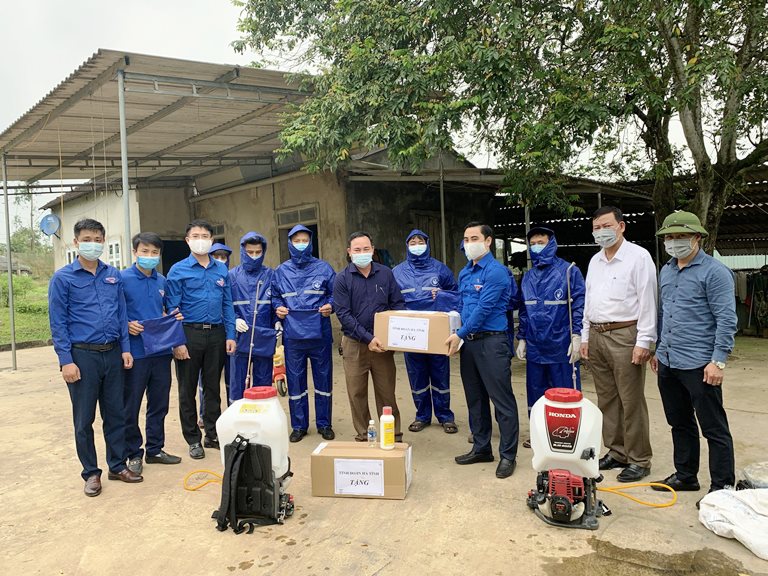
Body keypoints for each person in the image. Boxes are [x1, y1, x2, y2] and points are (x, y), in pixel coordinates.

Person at [48, 218, 142, 497]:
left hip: (112, 353)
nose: (93, 244)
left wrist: (125, 348)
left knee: (115, 413)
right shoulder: (63, 278)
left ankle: (117, 465)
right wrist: (66, 360)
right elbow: (58, 322)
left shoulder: (112, 275)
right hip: (82, 356)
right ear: (76, 242)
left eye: (98, 240)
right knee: (84, 418)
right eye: (87, 239)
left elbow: (122, 314)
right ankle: (91, 472)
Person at [649, 211, 737, 504]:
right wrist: (659, 349)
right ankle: (686, 475)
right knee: (680, 422)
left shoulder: (715, 272)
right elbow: (664, 313)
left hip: (700, 363)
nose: (674, 242)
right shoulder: (667, 270)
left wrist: (718, 361)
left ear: (697, 238)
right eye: (670, 237)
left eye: (681, 236)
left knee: (714, 428)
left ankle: (722, 487)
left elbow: (726, 319)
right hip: (669, 360)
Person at [580, 206, 657, 482]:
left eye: (606, 226)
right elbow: (589, 301)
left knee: (630, 399)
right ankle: (617, 451)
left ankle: (639, 459)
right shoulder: (595, 261)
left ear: (621, 226)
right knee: (607, 399)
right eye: (596, 228)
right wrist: (585, 336)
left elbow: (648, 301)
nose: (601, 232)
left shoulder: (638, 257)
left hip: (625, 334)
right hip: (597, 334)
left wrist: (644, 341)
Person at [446, 222, 520, 479]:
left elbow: (484, 309)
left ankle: (508, 455)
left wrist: (459, 334)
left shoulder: (497, 272)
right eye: (466, 239)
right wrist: (454, 329)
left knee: (502, 401)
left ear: (488, 241)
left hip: (492, 342)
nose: (469, 243)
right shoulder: (465, 273)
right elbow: (462, 306)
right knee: (475, 399)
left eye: (474, 238)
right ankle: (481, 448)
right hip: (470, 344)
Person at [165, 220, 236, 460]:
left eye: (205, 236)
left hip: (216, 333)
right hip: (189, 334)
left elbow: (227, 304)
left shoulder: (221, 270)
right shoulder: (178, 270)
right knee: (187, 389)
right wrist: (177, 341)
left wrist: (230, 335)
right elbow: (172, 308)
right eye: (195, 236)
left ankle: (212, 434)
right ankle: (193, 439)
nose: (200, 240)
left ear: (212, 240)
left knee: (213, 387)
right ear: (187, 240)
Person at [516, 226, 585, 447]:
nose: (537, 247)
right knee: (536, 393)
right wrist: (522, 337)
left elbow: (579, 304)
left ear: (552, 243)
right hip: (535, 346)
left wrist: (577, 335)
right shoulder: (528, 277)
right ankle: (539, 435)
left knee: (564, 392)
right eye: (533, 243)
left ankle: (567, 436)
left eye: (541, 242)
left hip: (561, 345)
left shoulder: (569, 271)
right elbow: (524, 310)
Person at [334, 231, 406, 441]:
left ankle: (393, 434)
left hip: (382, 343)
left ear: (373, 250)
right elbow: (344, 315)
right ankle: (365, 434)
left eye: (366, 249)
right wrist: (368, 338)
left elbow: (397, 304)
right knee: (356, 392)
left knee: (387, 392)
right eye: (357, 249)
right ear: (349, 252)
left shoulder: (386, 274)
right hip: (354, 344)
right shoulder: (342, 279)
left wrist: (395, 334)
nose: (362, 253)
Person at [121, 232, 183, 475]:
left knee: (159, 403)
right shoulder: (122, 279)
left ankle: (155, 449)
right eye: (144, 251)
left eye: (154, 252)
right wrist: (126, 324)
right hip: (135, 353)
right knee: (131, 405)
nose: (149, 256)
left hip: (160, 351)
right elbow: (114, 311)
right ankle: (133, 453)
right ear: (134, 252)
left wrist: (173, 319)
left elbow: (166, 309)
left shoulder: (162, 281)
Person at [272, 225, 336, 442]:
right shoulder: (281, 271)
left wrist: (331, 305)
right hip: (293, 336)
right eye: (296, 240)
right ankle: (299, 426)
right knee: (295, 380)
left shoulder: (324, 268)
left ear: (311, 242)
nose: (301, 244)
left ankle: (324, 424)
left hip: (320, 334)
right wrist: (278, 307)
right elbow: (275, 296)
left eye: (305, 240)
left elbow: (336, 293)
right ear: (290, 243)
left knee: (323, 379)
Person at [392, 229, 459, 434]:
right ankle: (422, 415)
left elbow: (456, 295)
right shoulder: (397, 272)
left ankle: (445, 416)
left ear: (427, 244)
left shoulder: (440, 269)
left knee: (440, 373)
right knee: (417, 374)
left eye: (420, 241)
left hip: (436, 331)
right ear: (407, 245)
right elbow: (390, 300)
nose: (417, 245)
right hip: (411, 332)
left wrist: (442, 294)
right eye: (412, 242)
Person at [230, 232, 276, 402]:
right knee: (238, 382)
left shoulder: (271, 275)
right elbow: (223, 305)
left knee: (263, 384)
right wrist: (234, 319)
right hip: (240, 337)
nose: (254, 256)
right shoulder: (232, 276)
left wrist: (278, 322)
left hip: (264, 336)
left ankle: (261, 415)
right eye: (250, 252)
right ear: (243, 251)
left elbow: (277, 302)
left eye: (258, 252)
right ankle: (238, 415)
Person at [198, 242, 234, 422]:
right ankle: (204, 414)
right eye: (216, 256)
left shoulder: (231, 276)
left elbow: (230, 304)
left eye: (224, 257)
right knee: (206, 379)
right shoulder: (203, 276)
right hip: (208, 334)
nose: (220, 260)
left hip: (229, 335)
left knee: (231, 377)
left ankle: (230, 414)